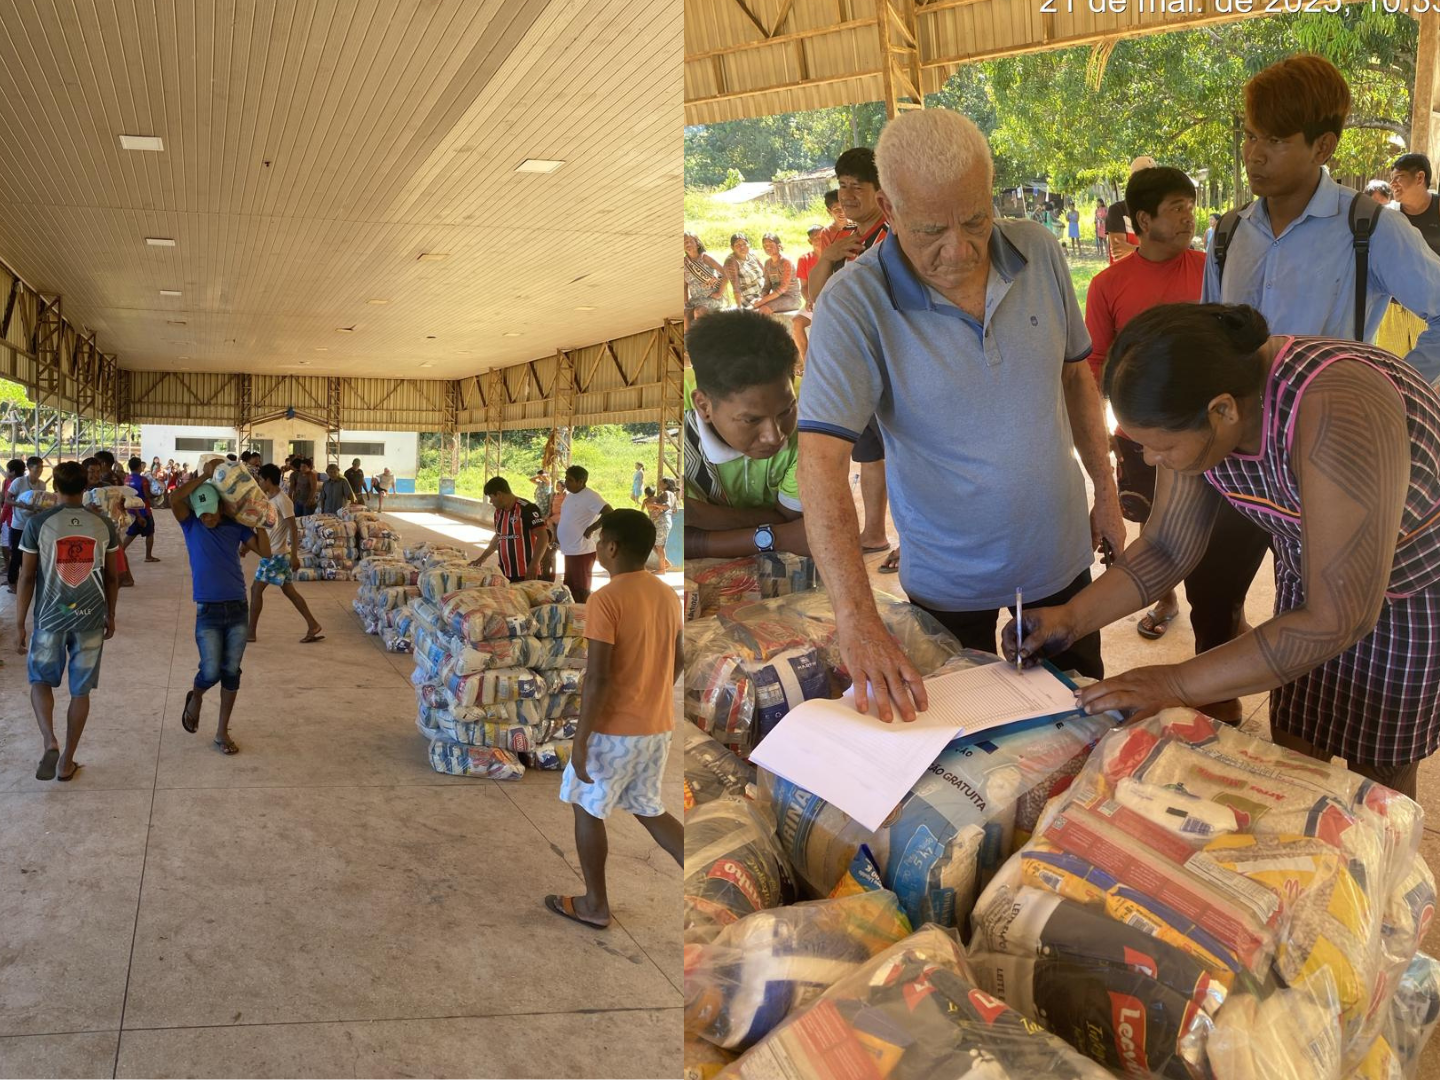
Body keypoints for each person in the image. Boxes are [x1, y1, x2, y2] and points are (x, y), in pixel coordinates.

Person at [1011, 304, 1440, 800]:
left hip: (1412, 587)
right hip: (1314, 579)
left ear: (1223, 409)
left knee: (1377, 777)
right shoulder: (1200, 408)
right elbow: (1168, 546)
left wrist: (1174, 683)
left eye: (1162, 447)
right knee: (1297, 749)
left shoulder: (1338, 405)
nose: (1152, 460)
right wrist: (1071, 617)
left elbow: (1339, 616)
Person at [799, 108, 1125, 721]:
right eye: (930, 231)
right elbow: (819, 463)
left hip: (1059, 556)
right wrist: (858, 618)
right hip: (948, 581)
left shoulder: (1039, 250)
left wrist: (1104, 491)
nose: (961, 248)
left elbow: (1075, 377)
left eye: (975, 218)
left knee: (1079, 713)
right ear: (889, 212)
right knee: (966, 741)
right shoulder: (854, 303)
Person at [1085, 168, 1253, 723]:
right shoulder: (1109, 285)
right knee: (1156, 531)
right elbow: (1094, 366)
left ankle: (1222, 640)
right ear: (1142, 221)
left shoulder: (1211, 272)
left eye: (1190, 206)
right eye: (1175, 207)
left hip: (1215, 440)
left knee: (1217, 560)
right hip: (1144, 436)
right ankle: (1167, 598)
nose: (1187, 217)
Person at [543, 509, 682, 930]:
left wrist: (581, 740)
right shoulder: (665, 594)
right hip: (656, 727)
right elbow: (679, 658)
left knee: (586, 807)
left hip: (613, 730)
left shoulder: (606, 599)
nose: (598, 546)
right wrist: (651, 691)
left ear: (612, 548)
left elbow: (598, 677)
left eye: (601, 540)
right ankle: (707, 877)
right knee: (650, 809)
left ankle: (595, 904)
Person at [806, 146, 895, 562]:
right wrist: (826, 257)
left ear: (881, 192)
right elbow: (815, 298)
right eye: (842, 187)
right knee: (869, 453)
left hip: (888, 363)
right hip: (854, 366)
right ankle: (873, 532)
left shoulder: (893, 236)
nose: (846, 196)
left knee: (902, 455)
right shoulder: (844, 240)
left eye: (857, 187)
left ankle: (906, 541)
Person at [13, 460, 119, 783]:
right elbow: (113, 577)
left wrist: (20, 623)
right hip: (89, 619)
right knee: (80, 691)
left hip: (49, 617)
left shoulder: (38, 524)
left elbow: (27, 576)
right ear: (85, 488)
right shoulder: (103, 525)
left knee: (40, 682)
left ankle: (50, 741)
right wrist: (110, 614)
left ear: (54, 488)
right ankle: (66, 762)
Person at [684, 309, 807, 558]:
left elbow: (796, 521)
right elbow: (677, 537)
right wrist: (778, 535)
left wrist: (702, 521)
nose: (775, 436)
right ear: (704, 406)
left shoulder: (811, 412)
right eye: (751, 420)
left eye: (785, 411)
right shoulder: (672, 422)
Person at [172, 459, 270, 755]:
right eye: (201, 513)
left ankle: (220, 732)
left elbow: (265, 551)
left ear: (221, 507)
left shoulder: (235, 527)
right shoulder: (190, 525)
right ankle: (197, 695)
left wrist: (257, 518)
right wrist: (203, 475)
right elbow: (174, 498)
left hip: (238, 607)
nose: (206, 519)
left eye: (211, 513)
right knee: (210, 670)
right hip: (208, 610)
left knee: (231, 672)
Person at [249, 464, 324, 645]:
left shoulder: (283, 500)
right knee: (289, 591)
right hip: (276, 553)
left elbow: (293, 529)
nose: (259, 482)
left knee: (256, 590)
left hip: (276, 555)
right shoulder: (269, 499)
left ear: (267, 480)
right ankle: (313, 624)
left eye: (261, 479)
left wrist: (294, 555)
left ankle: (250, 632)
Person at [469, 477, 550, 583]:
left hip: (526, 573)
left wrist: (534, 564)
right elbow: (498, 537)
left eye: (491, 497)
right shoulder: (498, 513)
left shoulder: (527, 509)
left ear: (499, 494)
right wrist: (481, 558)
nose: (491, 501)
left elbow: (543, 537)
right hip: (504, 573)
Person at [555, 465, 613, 602]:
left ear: (581, 481)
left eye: (570, 480)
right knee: (570, 587)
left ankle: (584, 616)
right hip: (570, 550)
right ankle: (574, 616)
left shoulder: (591, 496)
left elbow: (609, 512)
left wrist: (592, 528)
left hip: (581, 551)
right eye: (565, 478)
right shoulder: (570, 496)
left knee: (581, 588)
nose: (566, 482)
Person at [6, 457, 46, 592]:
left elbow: (42, 502)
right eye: (37, 467)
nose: (40, 470)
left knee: (31, 556)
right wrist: (20, 504)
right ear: (29, 468)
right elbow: (7, 499)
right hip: (18, 525)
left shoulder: (42, 485)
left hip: (33, 525)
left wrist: (41, 508)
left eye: (41, 467)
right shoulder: (19, 482)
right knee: (16, 556)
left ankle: (26, 581)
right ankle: (12, 582)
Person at [1106, 155, 1155, 263]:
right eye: (1141, 176)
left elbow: (1168, 252)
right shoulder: (1118, 210)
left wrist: (1132, 249)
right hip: (1122, 279)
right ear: (1131, 180)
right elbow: (1118, 253)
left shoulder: (1159, 213)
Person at [1391, 152, 1440, 256]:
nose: (1392, 184)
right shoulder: (1391, 213)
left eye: (1399, 176)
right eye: (1392, 178)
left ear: (1420, 178)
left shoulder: (1438, 207)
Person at [790, 224, 827, 363]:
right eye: (815, 238)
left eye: (821, 236)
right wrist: (809, 299)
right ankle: (806, 362)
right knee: (797, 322)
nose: (819, 240)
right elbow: (803, 286)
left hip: (832, 299)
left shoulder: (834, 255)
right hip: (814, 300)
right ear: (809, 242)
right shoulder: (804, 259)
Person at [121, 456, 160, 563]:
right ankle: (148, 556)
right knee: (150, 533)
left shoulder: (126, 479)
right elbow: (147, 495)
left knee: (131, 534)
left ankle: (120, 552)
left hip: (131, 510)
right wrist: (156, 495)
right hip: (144, 510)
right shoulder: (143, 480)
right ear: (139, 467)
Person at [684, 232, 727, 327]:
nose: (688, 244)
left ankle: (703, 338)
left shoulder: (705, 258)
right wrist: (686, 302)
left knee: (699, 312)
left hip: (711, 298)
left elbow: (726, 274)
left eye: (691, 241)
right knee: (685, 316)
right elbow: (684, 286)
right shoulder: (684, 263)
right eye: (685, 242)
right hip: (695, 300)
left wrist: (719, 293)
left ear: (697, 243)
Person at [752, 233, 802, 316]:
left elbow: (783, 288)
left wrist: (762, 301)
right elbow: (767, 286)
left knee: (764, 309)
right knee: (753, 308)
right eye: (765, 245)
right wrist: (760, 297)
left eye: (770, 244)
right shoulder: (767, 263)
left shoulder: (786, 262)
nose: (767, 247)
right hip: (777, 298)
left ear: (779, 246)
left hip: (792, 299)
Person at [722, 233, 766, 309]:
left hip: (763, 293)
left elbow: (765, 274)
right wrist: (739, 308)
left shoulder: (752, 255)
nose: (742, 247)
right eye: (737, 245)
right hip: (749, 298)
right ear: (732, 247)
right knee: (766, 308)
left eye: (744, 244)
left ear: (748, 244)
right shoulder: (731, 261)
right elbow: (736, 287)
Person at [642, 479, 675, 574]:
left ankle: (662, 569)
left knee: (659, 546)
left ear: (666, 484)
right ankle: (665, 563)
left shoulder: (666, 493)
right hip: (659, 522)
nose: (659, 484)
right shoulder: (666, 495)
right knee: (653, 543)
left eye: (661, 482)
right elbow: (674, 509)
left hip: (661, 523)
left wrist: (653, 505)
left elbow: (667, 506)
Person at [1, 458, 21, 584]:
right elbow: (3, 499)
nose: (7, 472)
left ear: (12, 472)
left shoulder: (17, 483)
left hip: (12, 520)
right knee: (6, 544)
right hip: (8, 518)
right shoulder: (6, 481)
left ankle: (12, 577)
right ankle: (9, 569)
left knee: (13, 548)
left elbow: (8, 504)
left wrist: (1, 519)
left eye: (8, 470)